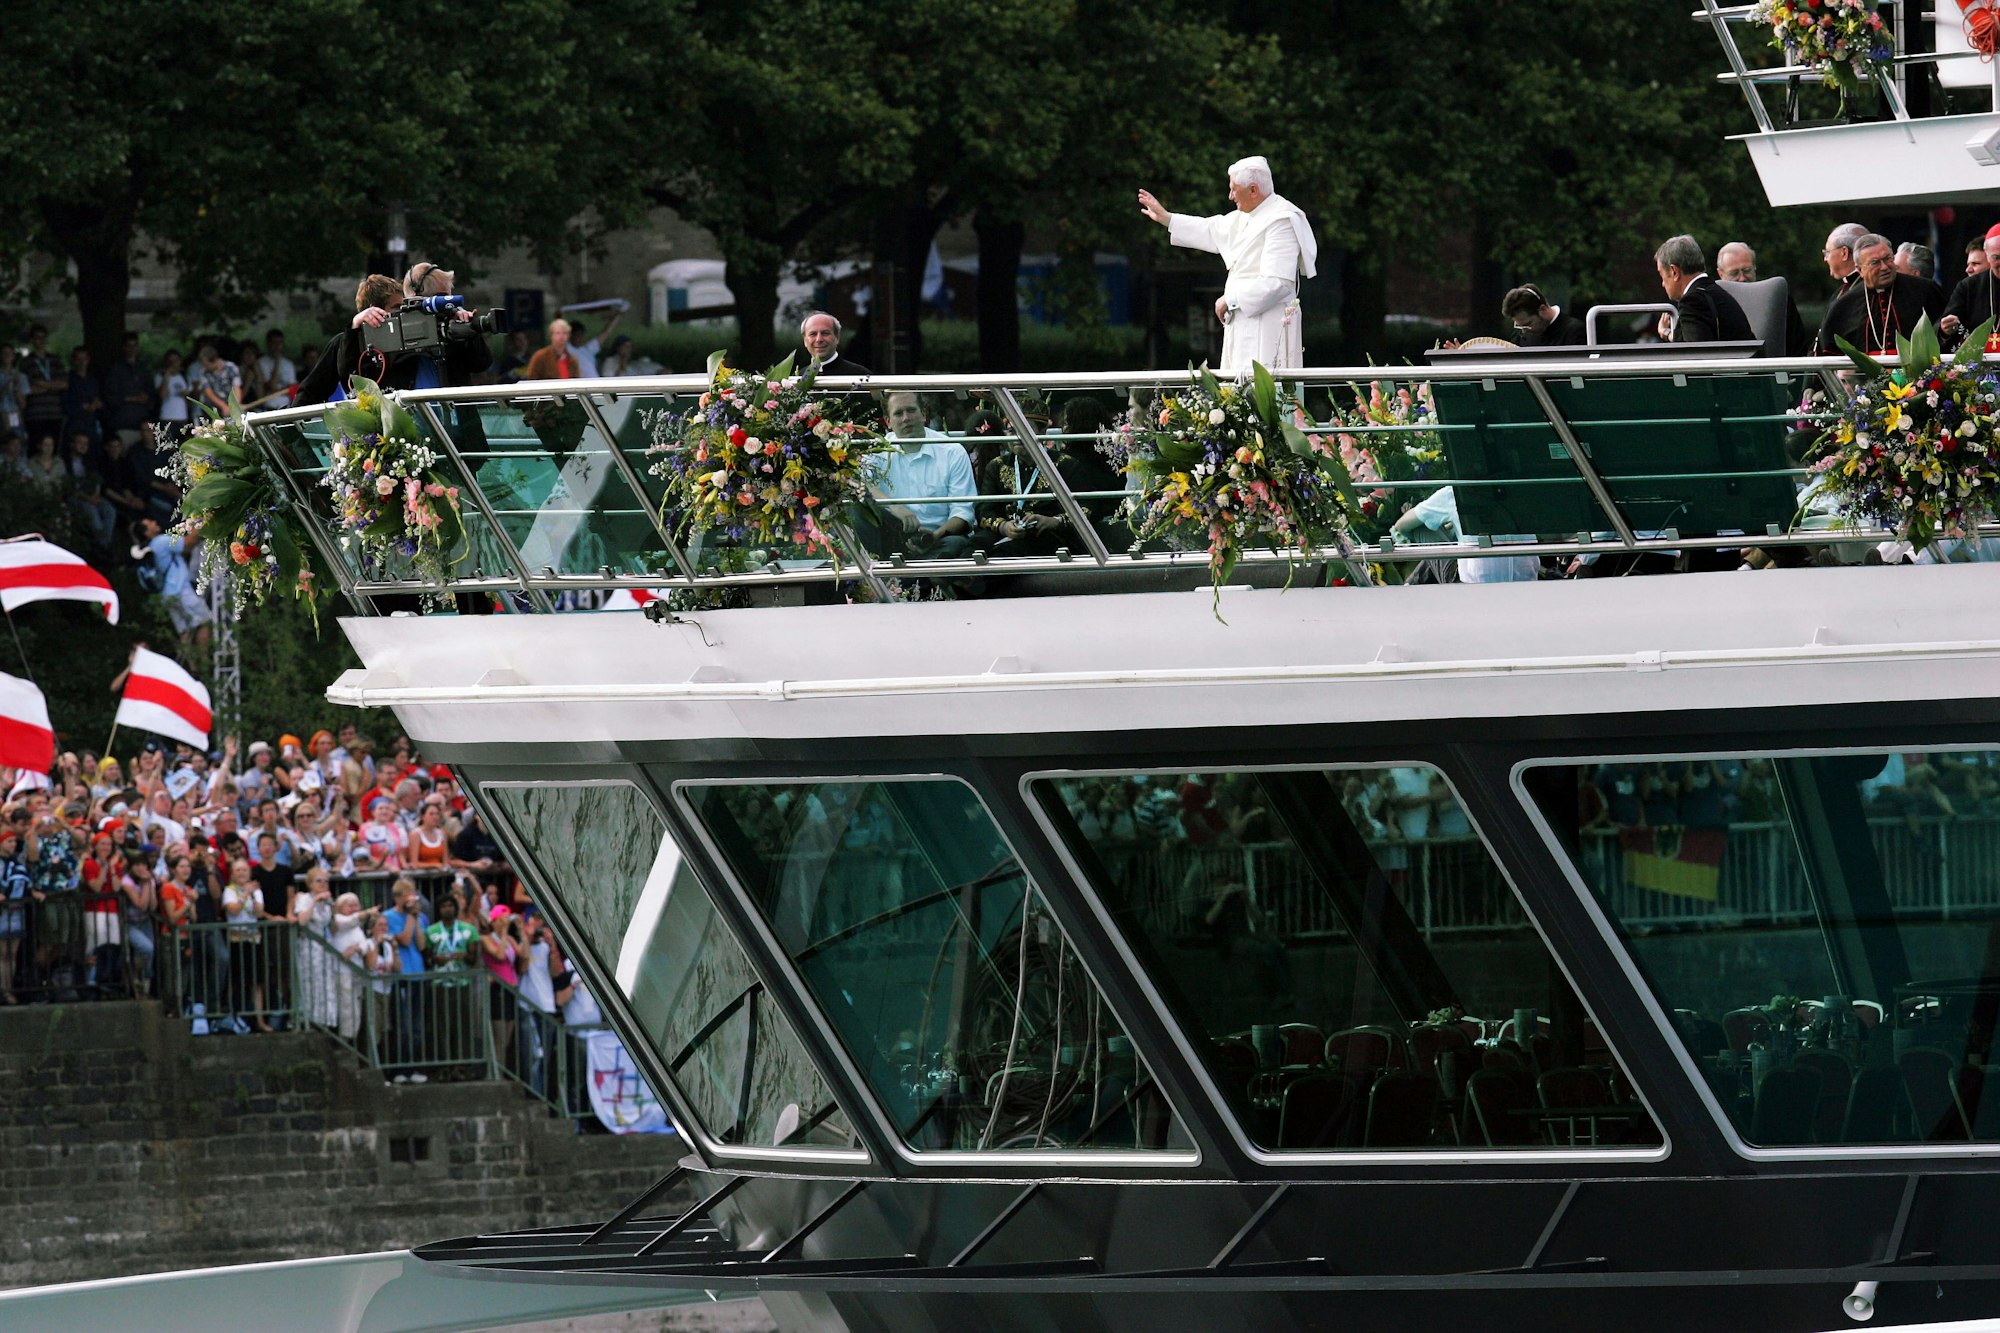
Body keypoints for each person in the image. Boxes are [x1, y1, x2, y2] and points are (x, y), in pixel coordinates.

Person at [1138, 155, 1319, 371]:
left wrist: (1231, 299)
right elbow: (1209, 229)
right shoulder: (1243, 216)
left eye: (1235, 189)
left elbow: (1278, 283)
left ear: (1253, 190)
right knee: (1234, 396)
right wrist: (1167, 218)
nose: (1230, 195)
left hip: (1269, 327)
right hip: (1240, 323)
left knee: (1268, 396)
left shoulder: (1282, 220)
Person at [866, 391, 975, 558]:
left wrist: (934, 536)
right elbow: (858, 484)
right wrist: (896, 507)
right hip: (893, 538)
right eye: (898, 413)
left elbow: (963, 514)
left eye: (911, 410)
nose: (905, 418)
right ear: (888, 422)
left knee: (956, 545)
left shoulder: (952, 452)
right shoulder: (876, 451)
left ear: (924, 414)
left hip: (939, 538)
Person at [1817, 233, 1946, 356]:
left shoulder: (1925, 290)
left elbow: (1945, 332)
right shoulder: (1845, 304)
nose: (1884, 267)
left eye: (1888, 259)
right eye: (1875, 263)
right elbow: (1829, 352)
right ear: (1860, 270)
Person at [1653, 235, 1753, 344]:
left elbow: (1695, 353)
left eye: (1661, 275)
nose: (1663, 284)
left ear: (1674, 272)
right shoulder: (1715, 293)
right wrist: (1667, 333)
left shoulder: (1693, 302)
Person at [130, 517, 211, 646]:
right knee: (203, 621)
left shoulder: (148, 549)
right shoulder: (161, 541)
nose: (154, 522)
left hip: (166, 595)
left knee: (185, 632)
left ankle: (192, 666)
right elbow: (189, 542)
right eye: (150, 523)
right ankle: (204, 663)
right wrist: (204, 520)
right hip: (180, 590)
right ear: (146, 533)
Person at [1941, 224, 2000, 349]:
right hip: (1979, 365)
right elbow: (1947, 330)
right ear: (1988, 256)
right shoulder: (1968, 287)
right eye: (1997, 258)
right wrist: (1945, 330)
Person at [102, 333, 154, 446]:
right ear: (124, 348)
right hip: (123, 424)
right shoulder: (115, 370)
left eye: (135, 345)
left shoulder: (143, 369)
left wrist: (146, 399)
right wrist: (132, 398)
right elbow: (110, 397)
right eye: (129, 345)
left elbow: (151, 395)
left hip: (142, 425)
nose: (132, 349)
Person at [1499, 285, 1584, 347]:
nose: (1524, 331)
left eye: (1528, 324)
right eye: (1519, 326)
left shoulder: (1574, 332)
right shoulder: (1521, 337)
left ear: (1543, 309)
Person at [800, 311, 870, 376]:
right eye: (813, 334)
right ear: (805, 340)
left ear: (837, 338)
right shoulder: (797, 378)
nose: (819, 339)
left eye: (825, 333)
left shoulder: (860, 375)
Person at [1822, 222, 1868, 296]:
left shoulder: (1867, 289)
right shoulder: (1844, 290)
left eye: (1827, 253)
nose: (1825, 259)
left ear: (1844, 253)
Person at [256, 329, 297, 401]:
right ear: (268, 343)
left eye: (280, 343)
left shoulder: (289, 364)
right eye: (274, 343)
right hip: (269, 406)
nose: (277, 346)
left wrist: (275, 391)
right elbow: (271, 386)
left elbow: (293, 388)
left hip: (287, 405)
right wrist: (277, 362)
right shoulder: (261, 362)